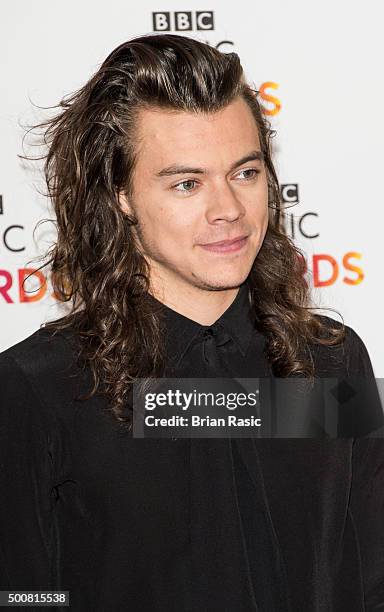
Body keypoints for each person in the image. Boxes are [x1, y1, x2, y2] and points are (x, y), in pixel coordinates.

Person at [0, 33, 383, 611]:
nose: (228, 209)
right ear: (121, 195)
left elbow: (369, 577)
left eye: (246, 173)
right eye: (186, 183)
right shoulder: (41, 388)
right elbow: (23, 596)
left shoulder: (331, 362)